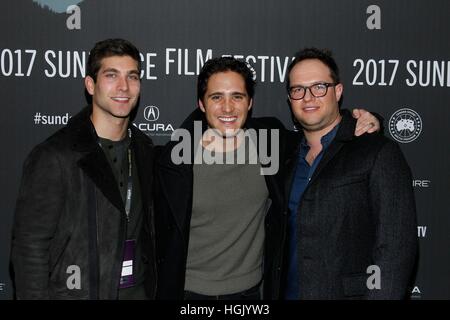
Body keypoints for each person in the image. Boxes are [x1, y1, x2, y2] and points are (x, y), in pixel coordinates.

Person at [154, 56, 380, 300]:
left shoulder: (270, 143)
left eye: (237, 97)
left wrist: (368, 120)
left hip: (251, 294)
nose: (227, 108)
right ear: (201, 104)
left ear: (250, 102)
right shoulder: (176, 159)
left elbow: (323, 132)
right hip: (188, 293)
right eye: (216, 97)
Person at [11, 38, 157, 299]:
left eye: (132, 76)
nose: (123, 86)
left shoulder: (145, 150)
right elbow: (29, 250)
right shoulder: (55, 156)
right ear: (91, 85)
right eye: (111, 75)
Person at [283, 47, 417, 300]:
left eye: (319, 86)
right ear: (290, 99)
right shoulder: (285, 154)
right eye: (298, 90)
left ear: (339, 91)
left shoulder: (377, 151)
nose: (308, 97)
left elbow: (395, 250)